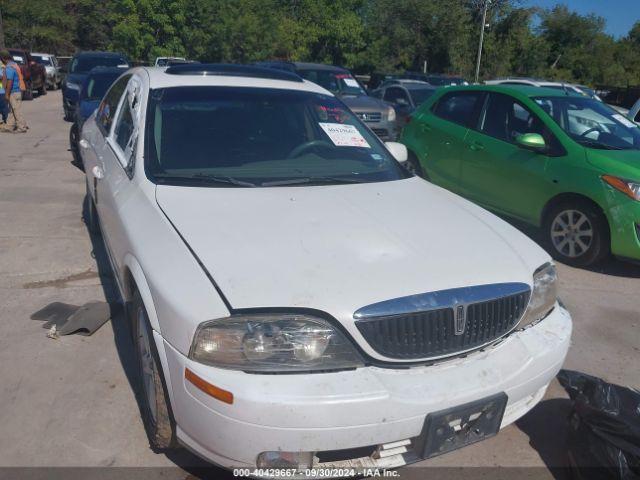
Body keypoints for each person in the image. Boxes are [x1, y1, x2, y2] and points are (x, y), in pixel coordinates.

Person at [0, 50, 28, 133]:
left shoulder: (9, 67)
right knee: (12, 110)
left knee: (16, 110)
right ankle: (9, 126)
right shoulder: (14, 65)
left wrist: (7, 94)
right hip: (16, 91)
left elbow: (10, 81)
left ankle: (22, 127)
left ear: (3, 59)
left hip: (14, 92)